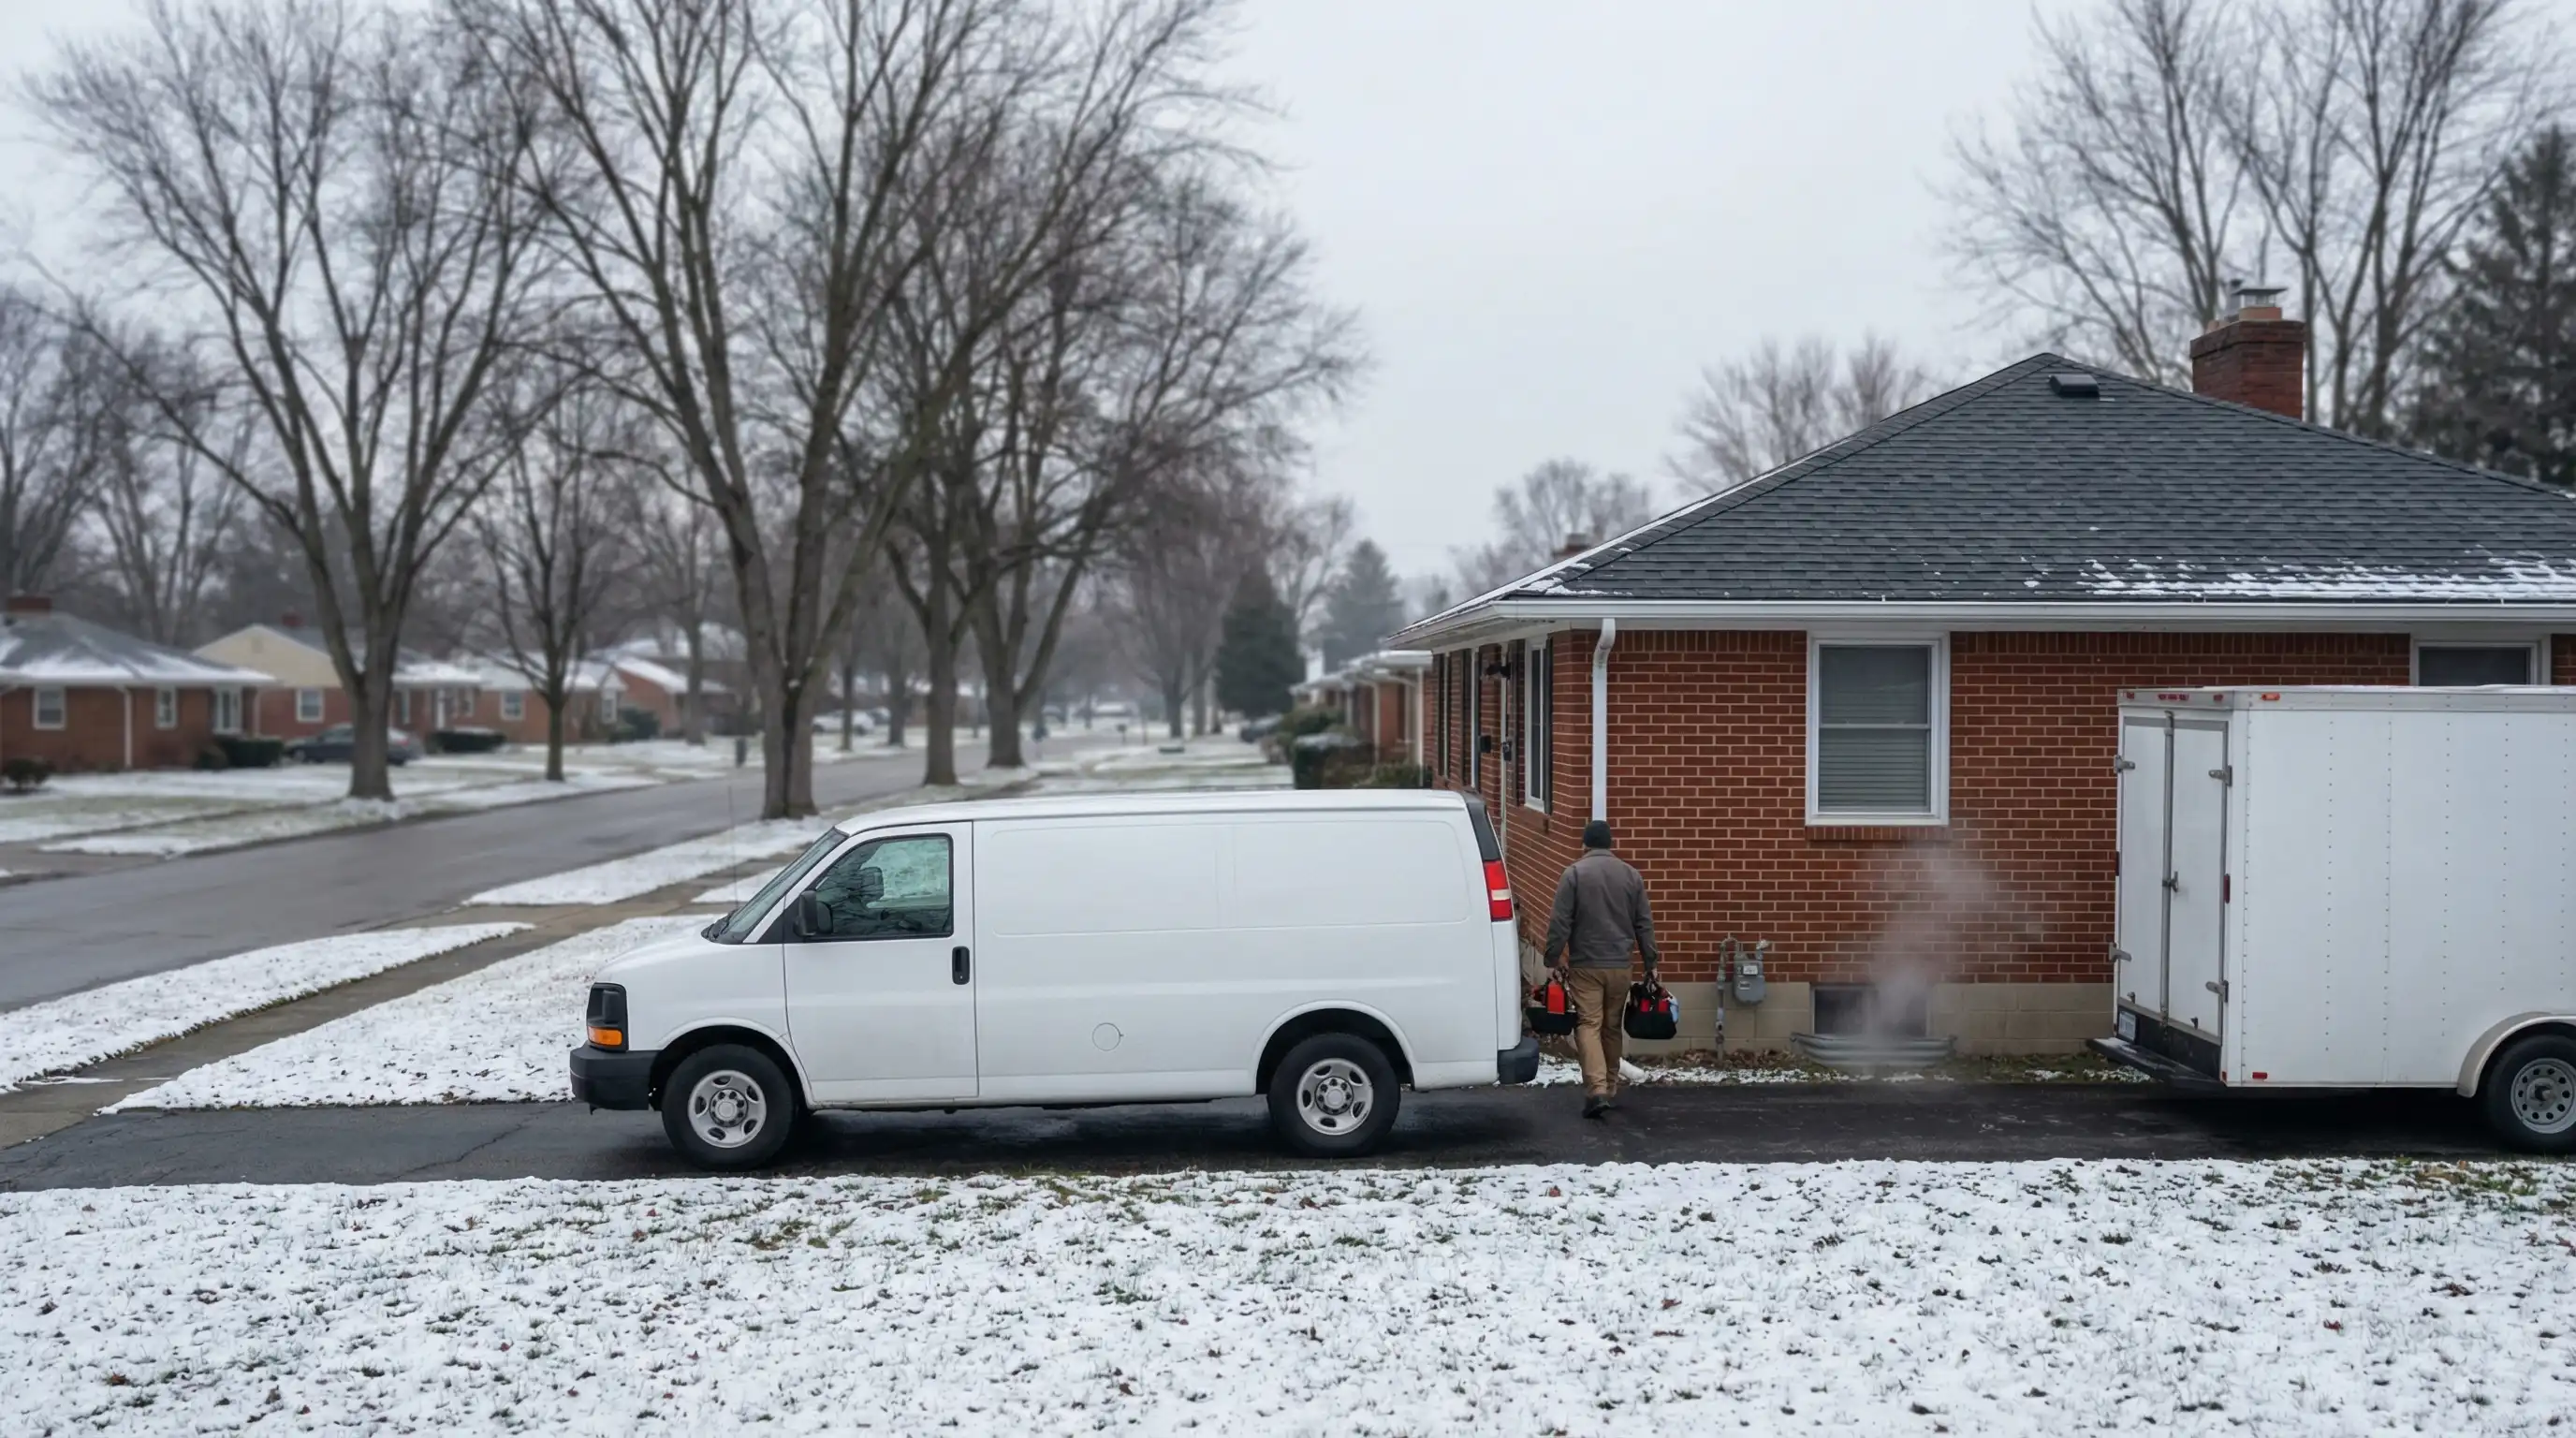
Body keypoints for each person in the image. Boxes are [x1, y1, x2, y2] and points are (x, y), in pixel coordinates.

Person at [1542, 819, 1659, 1120]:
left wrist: (1552, 959)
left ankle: (1596, 1090)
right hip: (1621, 966)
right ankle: (1610, 1085)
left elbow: (1560, 922)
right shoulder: (1632, 876)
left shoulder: (1574, 874)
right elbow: (1644, 924)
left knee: (1588, 1025)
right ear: (1610, 844)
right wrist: (1651, 964)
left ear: (1585, 845)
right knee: (1610, 1026)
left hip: (1586, 966)